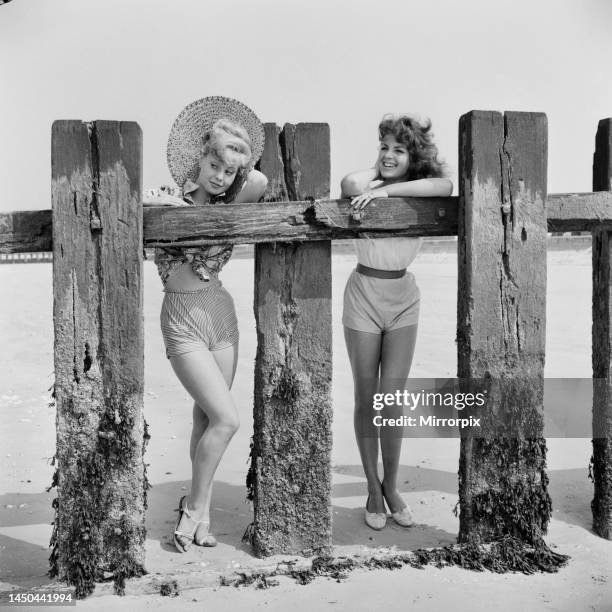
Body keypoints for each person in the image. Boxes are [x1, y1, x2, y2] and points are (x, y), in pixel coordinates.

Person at [145, 97, 268, 552]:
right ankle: (194, 509)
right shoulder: (164, 198)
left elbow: (258, 179)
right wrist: (189, 183)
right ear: (198, 155)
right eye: (213, 163)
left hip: (220, 314)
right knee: (226, 418)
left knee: (206, 419)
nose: (220, 175)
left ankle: (201, 515)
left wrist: (238, 154)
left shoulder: (233, 198)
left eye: (227, 170)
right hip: (180, 319)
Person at [340, 114, 452, 530]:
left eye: (399, 150)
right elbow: (351, 184)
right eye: (384, 146)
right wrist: (379, 177)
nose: (388, 155)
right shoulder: (367, 187)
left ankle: (391, 486)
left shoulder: (419, 191)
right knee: (366, 397)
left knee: (392, 399)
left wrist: (392, 188)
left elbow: (444, 186)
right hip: (364, 296)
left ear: (414, 157)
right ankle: (372, 488)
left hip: (404, 298)